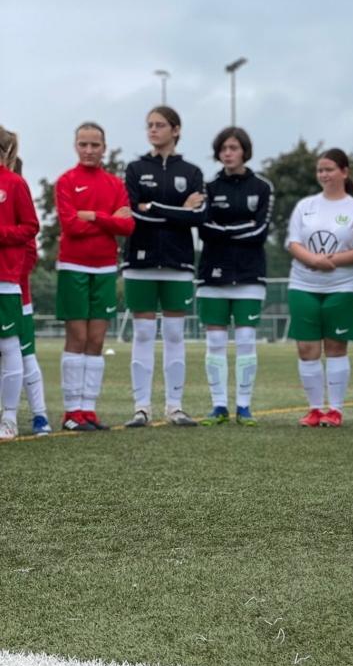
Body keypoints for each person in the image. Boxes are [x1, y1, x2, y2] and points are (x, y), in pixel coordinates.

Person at [123, 107, 205, 428]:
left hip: (178, 263)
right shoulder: (134, 168)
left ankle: (175, 407)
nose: (153, 130)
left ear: (176, 129)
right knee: (142, 332)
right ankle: (141, 408)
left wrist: (153, 207)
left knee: (173, 333)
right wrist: (177, 210)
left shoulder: (193, 172)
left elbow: (199, 217)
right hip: (139, 262)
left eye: (159, 125)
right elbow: (131, 214)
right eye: (149, 126)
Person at [54, 123, 134, 432]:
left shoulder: (114, 184)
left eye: (95, 145)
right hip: (73, 266)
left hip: (104, 268)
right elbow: (70, 226)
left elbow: (127, 228)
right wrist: (109, 221)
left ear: (104, 147)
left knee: (97, 340)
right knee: (78, 338)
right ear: (76, 146)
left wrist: (93, 216)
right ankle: (71, 412)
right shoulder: (65, 181)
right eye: (83, 144)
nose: (89, 150)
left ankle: (88, 409)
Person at [286, 149, 353, 427]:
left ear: (344, 172)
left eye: (329, 169)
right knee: (306, 350)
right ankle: (314, 410)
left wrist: (330, 262)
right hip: (303, 284)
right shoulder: (305, 206)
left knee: (336, 349)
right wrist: (313, 260)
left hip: (344, 286)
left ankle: (334, 411)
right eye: (320, 170)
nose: (324, 175)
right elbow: (293, 243)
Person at [196, 126, 274, 427]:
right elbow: (203, 229)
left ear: (244, 151)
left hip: (249, 277)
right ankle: (219, 406)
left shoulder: (263, 187)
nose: (228, 153)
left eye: (233, 148)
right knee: (214, 343)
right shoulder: (207, 188)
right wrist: (242, 227)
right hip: (213, 276)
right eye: (223, 148)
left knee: (245, 341)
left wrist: (223, 231)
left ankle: (243, 407)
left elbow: (261, 233)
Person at [0, 127, 39, 441]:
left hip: (5, 281)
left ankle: (9, 418)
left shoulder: (14, 183)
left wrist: (2, 235)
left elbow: (31, 227)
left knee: (9, 345)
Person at [13, 158, 52, 434]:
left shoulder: (17, 194)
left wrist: (10, 275)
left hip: (16, 296)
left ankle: (39, 415)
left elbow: (29, 255)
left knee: (25, 355)